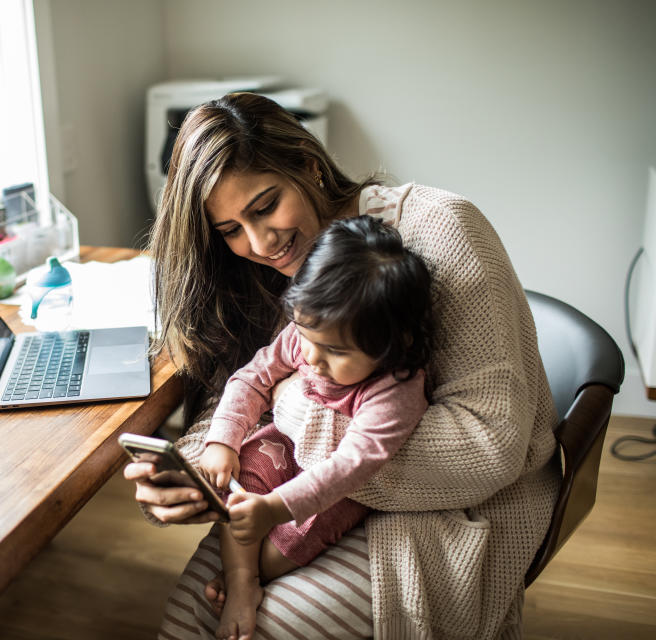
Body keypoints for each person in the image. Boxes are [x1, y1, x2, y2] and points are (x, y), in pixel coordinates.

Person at [125, 91, 560, 639]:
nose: (260, 243)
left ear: (308, 165)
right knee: (190, 616)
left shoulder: (442, 231)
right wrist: (195, 470)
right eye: (231, 230)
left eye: (264, 206)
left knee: (266, 627)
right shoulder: (260, 269)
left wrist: (289, 408)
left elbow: (489, 448)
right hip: (300, 484)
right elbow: (235, 387)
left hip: (453, 506)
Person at [198, 215, 434, 640]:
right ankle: (240, 580)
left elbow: (351, 467)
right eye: (306, 335)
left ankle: (247, 578)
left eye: (335, 351)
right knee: (240, 485)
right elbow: (253, 378)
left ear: (394, 344)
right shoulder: (306, 335)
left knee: (293, 537)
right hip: (287, 446)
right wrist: (223, 440)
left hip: (334, 483)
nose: (312, 357)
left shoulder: (395, 388)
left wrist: (275, 508)